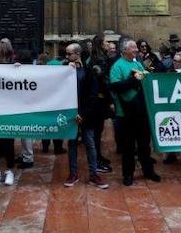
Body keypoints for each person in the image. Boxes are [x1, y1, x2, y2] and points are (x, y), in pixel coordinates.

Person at [109, 39, 160, 186]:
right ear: (124, 50)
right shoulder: (117, 66)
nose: (136, 50)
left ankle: (148, 171)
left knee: (144, 144)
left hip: (141, 111)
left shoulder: (137, 63)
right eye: (133, 48)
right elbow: (116, 87)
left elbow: (144, 79)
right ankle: (128, 175)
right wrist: (133, 79)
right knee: (128, 146)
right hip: (126, 113)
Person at [63, 43, 109, 189]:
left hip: (85, 115)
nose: (67, 57)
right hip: (71, 115)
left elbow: (92, 95)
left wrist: (83, 114)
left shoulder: (88, 72)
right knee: (71, 145)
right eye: (66, 54)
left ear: (78, 54)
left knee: (90, 144)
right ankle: (73, 173)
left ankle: (94, 174)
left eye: (69, 54)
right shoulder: (63, 71)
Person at [0, 38, 18, 185]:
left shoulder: (14, 65)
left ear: (3, 50)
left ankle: (10, 171)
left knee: (8, 142)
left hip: (9, 110)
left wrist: (20, 69)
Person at [87, 33, 113, 173]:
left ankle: (98, 156)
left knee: (97, 131)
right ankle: (96, 161)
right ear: (101, 44)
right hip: (99, 100)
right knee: (97, 131)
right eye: (107, 42)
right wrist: (110, 101)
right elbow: (104, 82)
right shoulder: (101, 60)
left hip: (97, 98)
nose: (109, 44)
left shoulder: (96, 58)